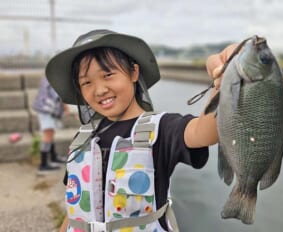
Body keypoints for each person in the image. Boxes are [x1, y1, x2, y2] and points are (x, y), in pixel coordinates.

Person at [45, 29, 227, 232]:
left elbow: (206, 132)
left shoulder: (162, 128)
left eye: (108, 75)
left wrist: (223, 80)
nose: (99, 90)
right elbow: (73, 212)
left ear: (134, 72)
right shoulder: (83, 139)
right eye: (87, 82)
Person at [32, 76, 69, 174]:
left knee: (50, 133)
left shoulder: (49, 76)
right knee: (48, 135)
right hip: (46, 109)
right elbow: (58, 96)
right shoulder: (55, 79)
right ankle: (43, 164)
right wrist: (65, 107)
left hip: (45, 108)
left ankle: (53, 157)